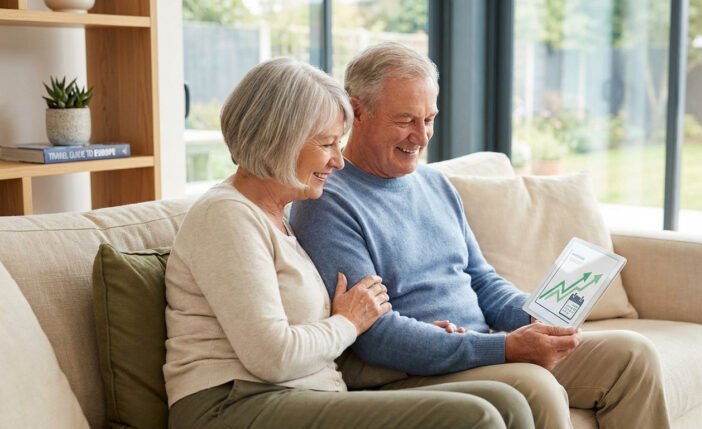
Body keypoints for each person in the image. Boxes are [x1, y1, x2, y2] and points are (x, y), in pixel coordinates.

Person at [290, 42, 671, 429]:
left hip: (479, 347)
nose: (421, 137)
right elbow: (376, 335)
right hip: (411, 374)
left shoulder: (435, 184)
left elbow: (481, 280)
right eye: (405, 120)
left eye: (429, 118)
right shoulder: (327, 202)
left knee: (633, 355)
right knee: (535, 385)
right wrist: (504, 348)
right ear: (358, 112)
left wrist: (539, 311)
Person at [163, 57, 534, 429]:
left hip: (298, 394)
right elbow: (274, 356)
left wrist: (428, 339)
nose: (339, 161)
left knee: (508, 403)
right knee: (478, 417)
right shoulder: (226, 216)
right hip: (231, 404)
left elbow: (319, 343)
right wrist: (349, 322)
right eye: (327, 144)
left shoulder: (279, 218)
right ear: (281, 142)